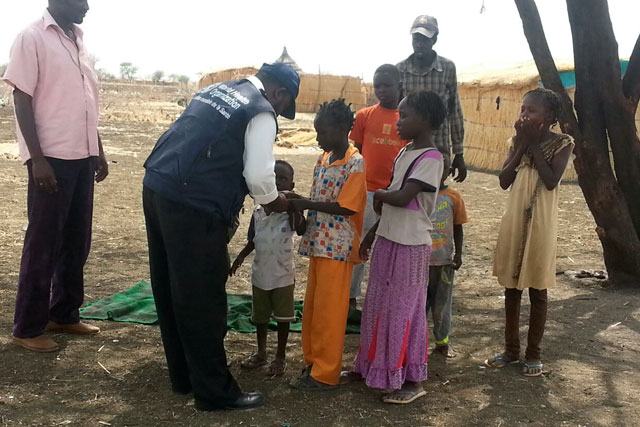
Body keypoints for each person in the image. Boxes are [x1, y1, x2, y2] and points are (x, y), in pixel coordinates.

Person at [142, 63, 300, 410]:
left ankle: (185, 377)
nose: (277, 113)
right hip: (193, 203)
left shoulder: (218, 90)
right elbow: (260, 177)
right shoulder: (260, 111)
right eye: (281, 107)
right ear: (279, 94)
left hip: (158, 186)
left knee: (172, 289)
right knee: (203, 299)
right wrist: (278, 201)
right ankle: (214, 391)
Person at [2, 0, 108, 353]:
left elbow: (85, 101)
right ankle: (27, 327)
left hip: (81, 156)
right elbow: (22, 98)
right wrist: (37, 159)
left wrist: (98, 149)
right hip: (52, 159)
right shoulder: (31, 37)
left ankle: (63, 312)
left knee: (77, 240)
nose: (88, 6)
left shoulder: (77, 40)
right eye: (82, 0)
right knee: (43, 242)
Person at [353, 91, 445, 404]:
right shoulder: (405, 151)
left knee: (405, 311)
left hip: (410, 246)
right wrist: (372, 233)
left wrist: (377, 196)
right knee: (378, 304)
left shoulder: (431, 158)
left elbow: (404, 196)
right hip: (389, 239)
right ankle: (373, 366)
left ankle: (411, 379)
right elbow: (394, 194)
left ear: (427, 121)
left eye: (405, 117)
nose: (398, 123)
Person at [485, 88, 574, 377]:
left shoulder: (563, 143)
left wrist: (534, 144)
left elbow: (550, 180)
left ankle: (533, 353)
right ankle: (511, 350)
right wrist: (523, 145)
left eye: (531, 110)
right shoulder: (516, 141)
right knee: (511, 287)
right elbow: (503, 180)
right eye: (523, 109)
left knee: (537, 288)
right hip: (515, 219)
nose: (524, 114)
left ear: (549, 116)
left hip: (541, 223)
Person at [288, 99, 367, 391]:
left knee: (331, 312)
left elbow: (347, 207)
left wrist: (306, 203)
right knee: (313, 308)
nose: (318, 137)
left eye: (321, 131)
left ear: (343, 129)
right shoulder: (323, 160)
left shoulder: (354, 162)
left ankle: (326, 372)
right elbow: (317, 200)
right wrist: (299, 207)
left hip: (337, 247)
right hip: (319, 244)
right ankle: (313, 362)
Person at [230, 160, 306, 377]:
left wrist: (294, 208)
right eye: (273, 178)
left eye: (283, 179)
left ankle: (280, 356)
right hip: (261, 274)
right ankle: (261, 352)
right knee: (260, 317)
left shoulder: (290, 209)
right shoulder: (257, 209)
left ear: (291, 184)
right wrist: (240, 258)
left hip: (283, 274)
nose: (277, 183)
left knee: (283, 318)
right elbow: (253, 239)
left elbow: (301, 229)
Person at [348, 64, 408, 308]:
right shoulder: (364, 116)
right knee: (359, 245)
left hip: (395, 195)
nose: (381, 90)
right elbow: (357, 152)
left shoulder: (405, 120)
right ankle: (350, 297)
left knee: (389, 247)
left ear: (399, 85)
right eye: (377, 86)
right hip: (367, 191)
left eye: (387, 85)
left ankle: (383, 300)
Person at [396, 15, 467, 182]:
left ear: (434, 39)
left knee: (433, 192)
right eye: (416, 38)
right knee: (406, 188)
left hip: (438, 145)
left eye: (425, 39)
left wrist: (459, 153)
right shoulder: (400, 69)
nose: (419, 44)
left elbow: (454, 109)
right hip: (408, 146)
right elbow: (396, 112)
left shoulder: (447, 68)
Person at [427, 155, 468, 358]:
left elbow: (458, 227)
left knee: (441, 306)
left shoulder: (453, 197)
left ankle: (442, 342)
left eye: (442, 169)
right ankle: (415, 342)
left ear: (449, 171)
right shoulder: (420, 194)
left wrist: (458, 254)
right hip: (420, 262)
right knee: (419, 306)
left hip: (444, 263)